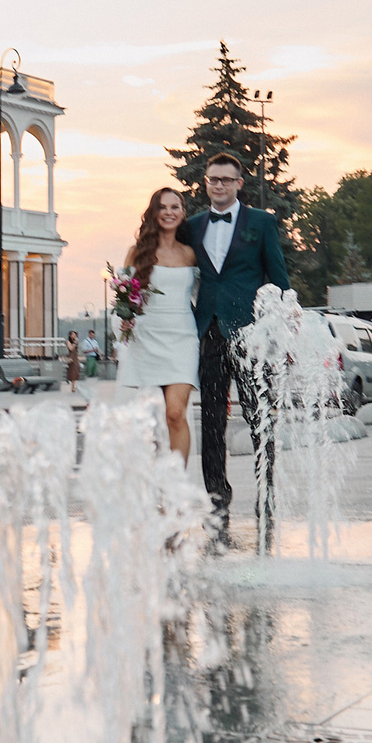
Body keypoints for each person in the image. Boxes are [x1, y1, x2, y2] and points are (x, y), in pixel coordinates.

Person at [185, 151, 292, 532]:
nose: (219, 185)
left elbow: (278, 276)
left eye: (226, 180)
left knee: (258, 417)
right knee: (211, 422)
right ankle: (217, 498)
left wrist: (286, 321)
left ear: (239, 184)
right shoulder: (193, 226)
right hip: (209, 333)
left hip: (251, 335)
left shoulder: (261, 222)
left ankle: (266, 493)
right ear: (206, 182)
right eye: (213, 179)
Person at [115, 187, 201, 460]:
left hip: (182, 339)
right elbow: (123, 296)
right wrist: (125, 319)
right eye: (162, 207)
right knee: (151, 420)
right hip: (147, 338)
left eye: (175, 207)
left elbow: (201, 295)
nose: (169, 212)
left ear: (183, 212)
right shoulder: (136, 253)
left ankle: (176, 482)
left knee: (175, 412)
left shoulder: (190, 254)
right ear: (153, 213)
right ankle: (155, 477)